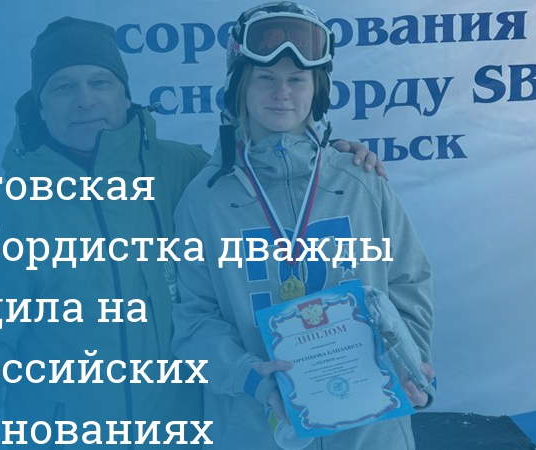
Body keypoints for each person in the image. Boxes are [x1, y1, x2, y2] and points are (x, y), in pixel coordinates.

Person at [0, 16, 382, 447]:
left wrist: (337, 156)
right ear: (40, 104)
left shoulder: (184, 170)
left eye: (100, 82)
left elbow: (270, 167)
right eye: (63, 87)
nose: (85, 101)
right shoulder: (12, 212)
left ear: (125, 93)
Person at [171, 2, 435, 449]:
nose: (282, 93)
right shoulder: (205, 201)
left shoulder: (361, 181)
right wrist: (253, 379)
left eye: (297, 79)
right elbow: (194, 320)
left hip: (371, 432)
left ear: (318, 90)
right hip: (257, 431)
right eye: (265, 78)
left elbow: (408, 284)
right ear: (240, 87)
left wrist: (410, 363)